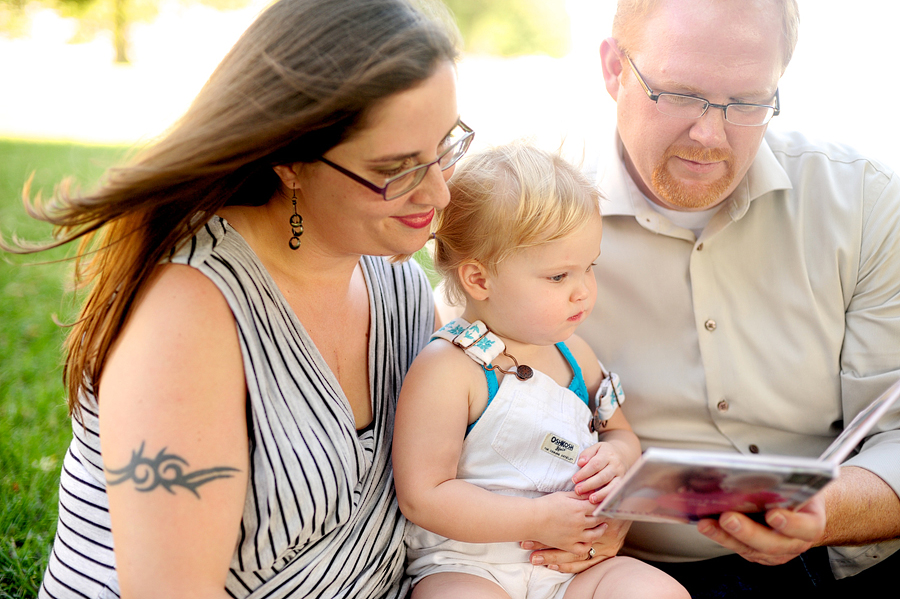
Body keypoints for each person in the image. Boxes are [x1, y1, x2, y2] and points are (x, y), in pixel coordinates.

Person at [3, 0, 471, 596]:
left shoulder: (400, 283)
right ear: (290, 161)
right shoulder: (189, 313)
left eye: (445, 146)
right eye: (397, 169)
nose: (439, 191)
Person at [529, 0, 900, 596]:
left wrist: (824, 512)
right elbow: (474, 399)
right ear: (613, 69)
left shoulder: (864, 201)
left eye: (748, 102)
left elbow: (896, 429)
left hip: (833, 555)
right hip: (618, 571)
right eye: (679, 94)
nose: (710, 134)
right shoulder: (526, 206)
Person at [392, 143, 689, 599]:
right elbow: (423, 495)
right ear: (479, 279)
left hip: (571, 568)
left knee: (655, 591)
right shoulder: (450, 368)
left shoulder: (575, 354)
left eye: (589, 268)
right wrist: (535, 520)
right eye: (558, 277)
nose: (583, 292)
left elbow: (620, 433)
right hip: (471, 565)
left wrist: (618, 458)